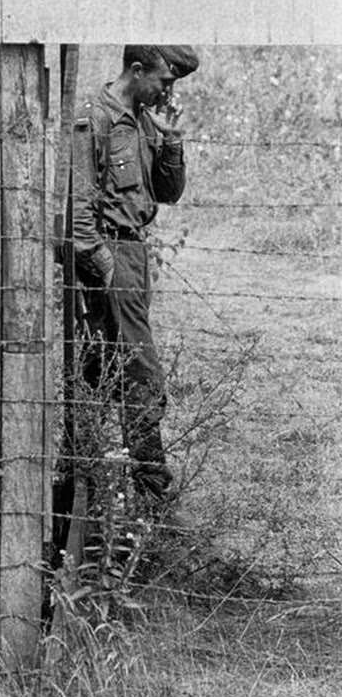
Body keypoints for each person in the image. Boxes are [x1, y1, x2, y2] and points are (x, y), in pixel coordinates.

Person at [63, 45, 199, 526]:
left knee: (103, 366)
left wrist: (172, 140)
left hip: (134, 253)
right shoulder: (94, 116)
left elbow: (168, 193)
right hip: (112, 256)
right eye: (164, 80)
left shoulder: (142, 118)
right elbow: (77, 204)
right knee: (140, 370)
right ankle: (154, 495)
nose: (169, 91)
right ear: (136, 70)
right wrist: (100, 264)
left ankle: (81, 469)